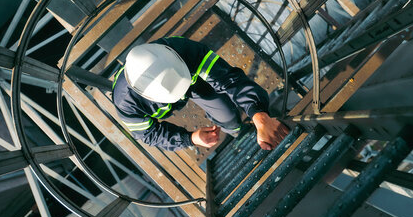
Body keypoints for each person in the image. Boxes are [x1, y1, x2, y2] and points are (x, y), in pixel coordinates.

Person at [111, 36, 289, 151]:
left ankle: (235, 130)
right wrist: (190, 138)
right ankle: (239, 133)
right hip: (188, 79)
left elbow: (229, 79)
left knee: (227, 115)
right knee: (225, 112)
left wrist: (259, 115)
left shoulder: (184, 50)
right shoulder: (126, 103)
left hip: (194, 83)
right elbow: (148, 134)